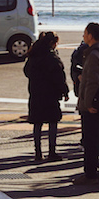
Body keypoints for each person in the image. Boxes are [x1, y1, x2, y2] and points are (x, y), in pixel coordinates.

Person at [75, 22, 99, 182]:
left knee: (91, 140)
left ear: (90, 35)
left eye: (85, 33)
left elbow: (92, 81)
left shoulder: (93, 54)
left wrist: (87, 103)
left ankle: (90, 174)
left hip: (93, 103)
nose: (83, 36)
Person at [24, 31, 68, 162]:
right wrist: (64, 91)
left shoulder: (33, 56)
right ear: (52, 43)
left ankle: (38, 152)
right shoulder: (52, 58)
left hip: (36, 92)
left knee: (37, 123)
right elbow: (59, 77)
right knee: (52, 122)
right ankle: (52, 151)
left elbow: (26, 72)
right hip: (50, 94)